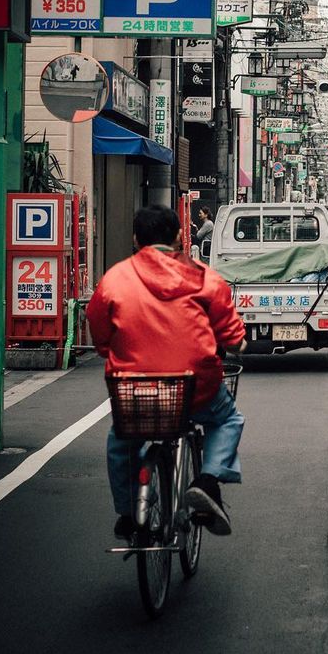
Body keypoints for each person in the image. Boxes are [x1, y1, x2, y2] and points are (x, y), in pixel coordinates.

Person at [86, 205, 246, 538]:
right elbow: (231, 332)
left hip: (135, 389)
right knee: (227, 419)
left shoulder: (114, 279)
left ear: (135, 239)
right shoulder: (202, 276)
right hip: (194, 387)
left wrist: (111, 350)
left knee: (121, 437)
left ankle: (131, 512)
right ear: (178, 237)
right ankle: (207, 481)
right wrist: (237, 343)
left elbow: (100, 333)